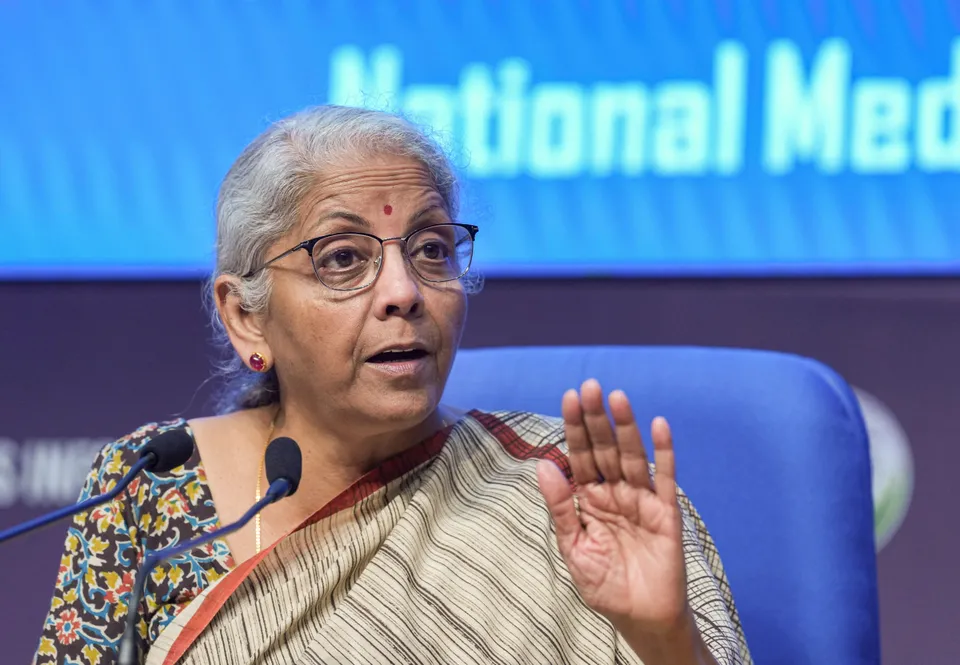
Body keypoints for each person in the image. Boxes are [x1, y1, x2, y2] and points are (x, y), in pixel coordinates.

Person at [35, 105, 752, 665]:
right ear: (245, 316)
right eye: (343, 258)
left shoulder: (571, 491)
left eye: (432, 248)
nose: (404, 291)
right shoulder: (152, 488)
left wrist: (664, 638)